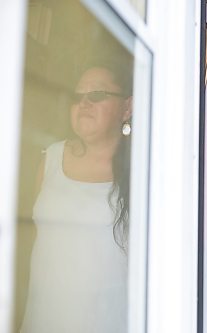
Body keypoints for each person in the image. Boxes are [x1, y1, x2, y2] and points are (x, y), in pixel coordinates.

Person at [20, 62, 133, 333]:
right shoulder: (50, 159)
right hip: (43, 320)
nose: (84, 104)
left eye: (96, 95)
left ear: (127, 108)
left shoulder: (142, 171)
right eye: (77, 97)